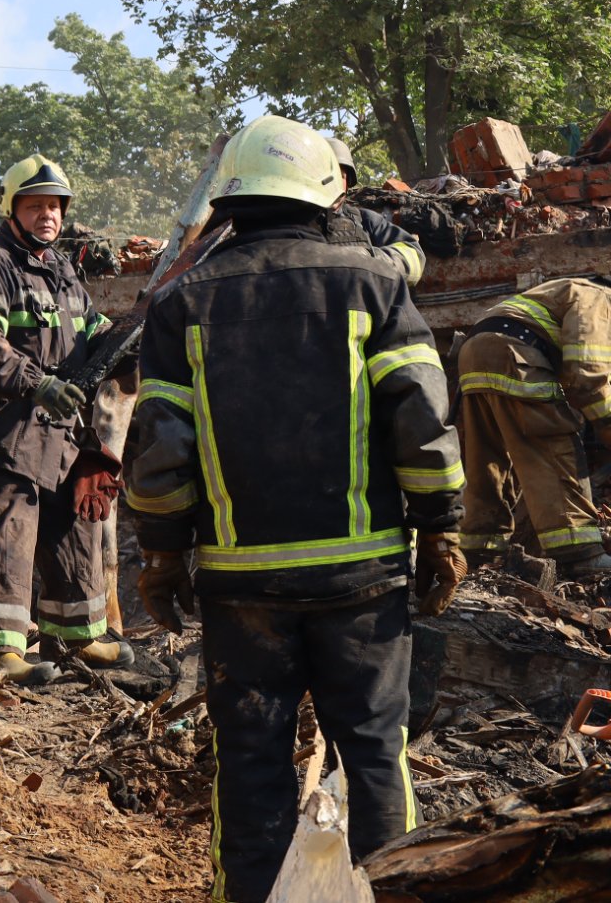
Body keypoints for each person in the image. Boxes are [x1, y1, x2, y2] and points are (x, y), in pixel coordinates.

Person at [126, 114, 464, 903]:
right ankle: (395, 893)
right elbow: (420, 416)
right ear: (325, 193)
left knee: (249, 764)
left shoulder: (182, 303)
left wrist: (161, 551)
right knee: (377, 755)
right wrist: (441, 526)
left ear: (232, 200)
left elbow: (158, 449)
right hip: (364, 577)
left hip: (242, 587)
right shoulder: (374, 282)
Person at [0, 155, 127, 684]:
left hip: (58, 433)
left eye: (55, 205)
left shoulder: (64, 270)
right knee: (6, 534)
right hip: (4, 429)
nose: (48, 214)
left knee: (72, 532)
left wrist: (128, 342)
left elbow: (92, 330)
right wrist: (38, 382)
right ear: (13, 209)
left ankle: (79, 638)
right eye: (35, 205)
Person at [454, 278, 611, 574]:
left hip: (474, 353)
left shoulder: (561, 290)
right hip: (516, 353)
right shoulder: (599, 297)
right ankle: (579, 554)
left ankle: (477, 553)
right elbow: (586, 372)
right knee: (552, 447)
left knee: (489, 462)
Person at [323, 134, 425, 282]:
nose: (334, 183)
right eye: (327, 176)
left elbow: (414, 256)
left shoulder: (365, 220)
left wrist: (365, 260)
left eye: (341, 176)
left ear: (349, 181)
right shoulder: (297, 222)